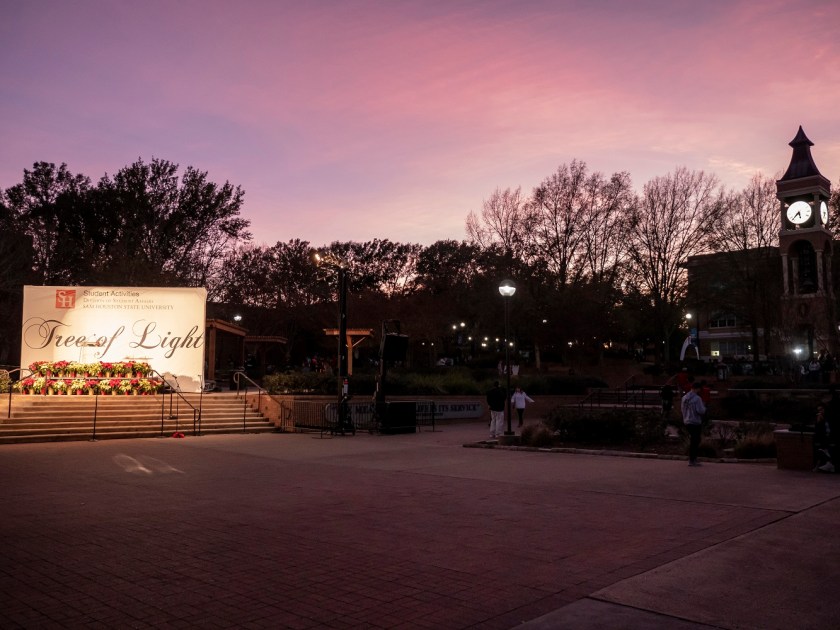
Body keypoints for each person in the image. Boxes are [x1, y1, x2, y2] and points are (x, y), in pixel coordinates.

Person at [681, 381, 706, 467]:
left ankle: (693, 458)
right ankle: (692, 459)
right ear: (697, 389)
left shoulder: (684, 398)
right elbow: (700, 410)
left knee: (694, 440)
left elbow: (682, 409)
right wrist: (704, 408)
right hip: (695, 421)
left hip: (687, 420)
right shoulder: (697, 398)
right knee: (695, 440)